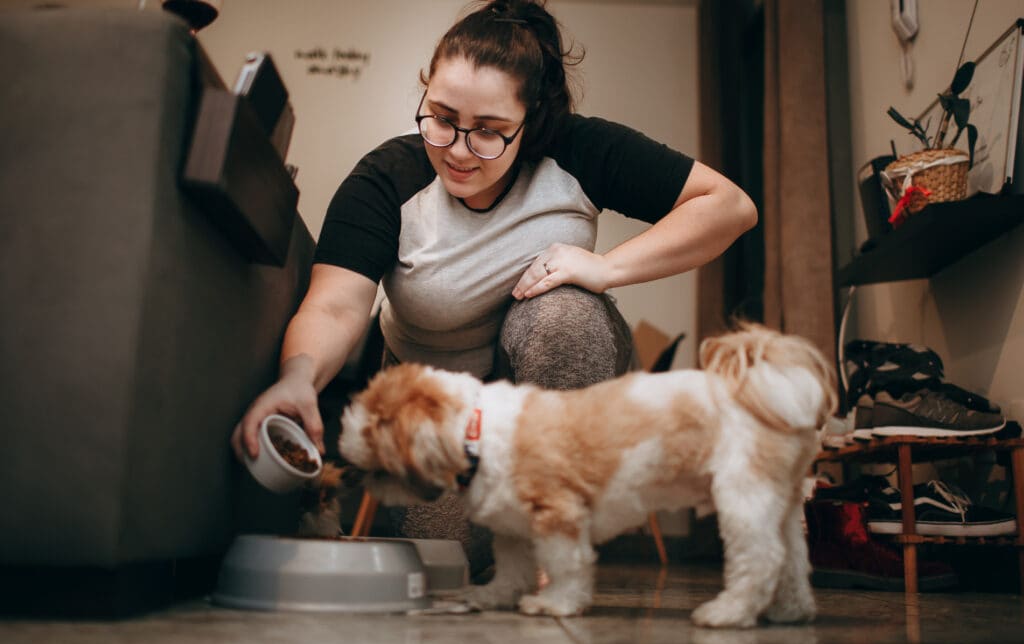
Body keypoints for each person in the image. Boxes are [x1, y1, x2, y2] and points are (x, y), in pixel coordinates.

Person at [231, 0, 757, 572]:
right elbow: (334, 306)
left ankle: (553, 539)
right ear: (425, 92)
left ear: (531, 124)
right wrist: (298, 378)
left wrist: (606, 266)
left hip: (546, 405)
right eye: (441, 117)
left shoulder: (578, 150)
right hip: (440, 419)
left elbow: (728, 206)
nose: (457, 149)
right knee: (444, 562)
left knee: (567, 312)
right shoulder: (386, 180)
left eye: (489, 132)